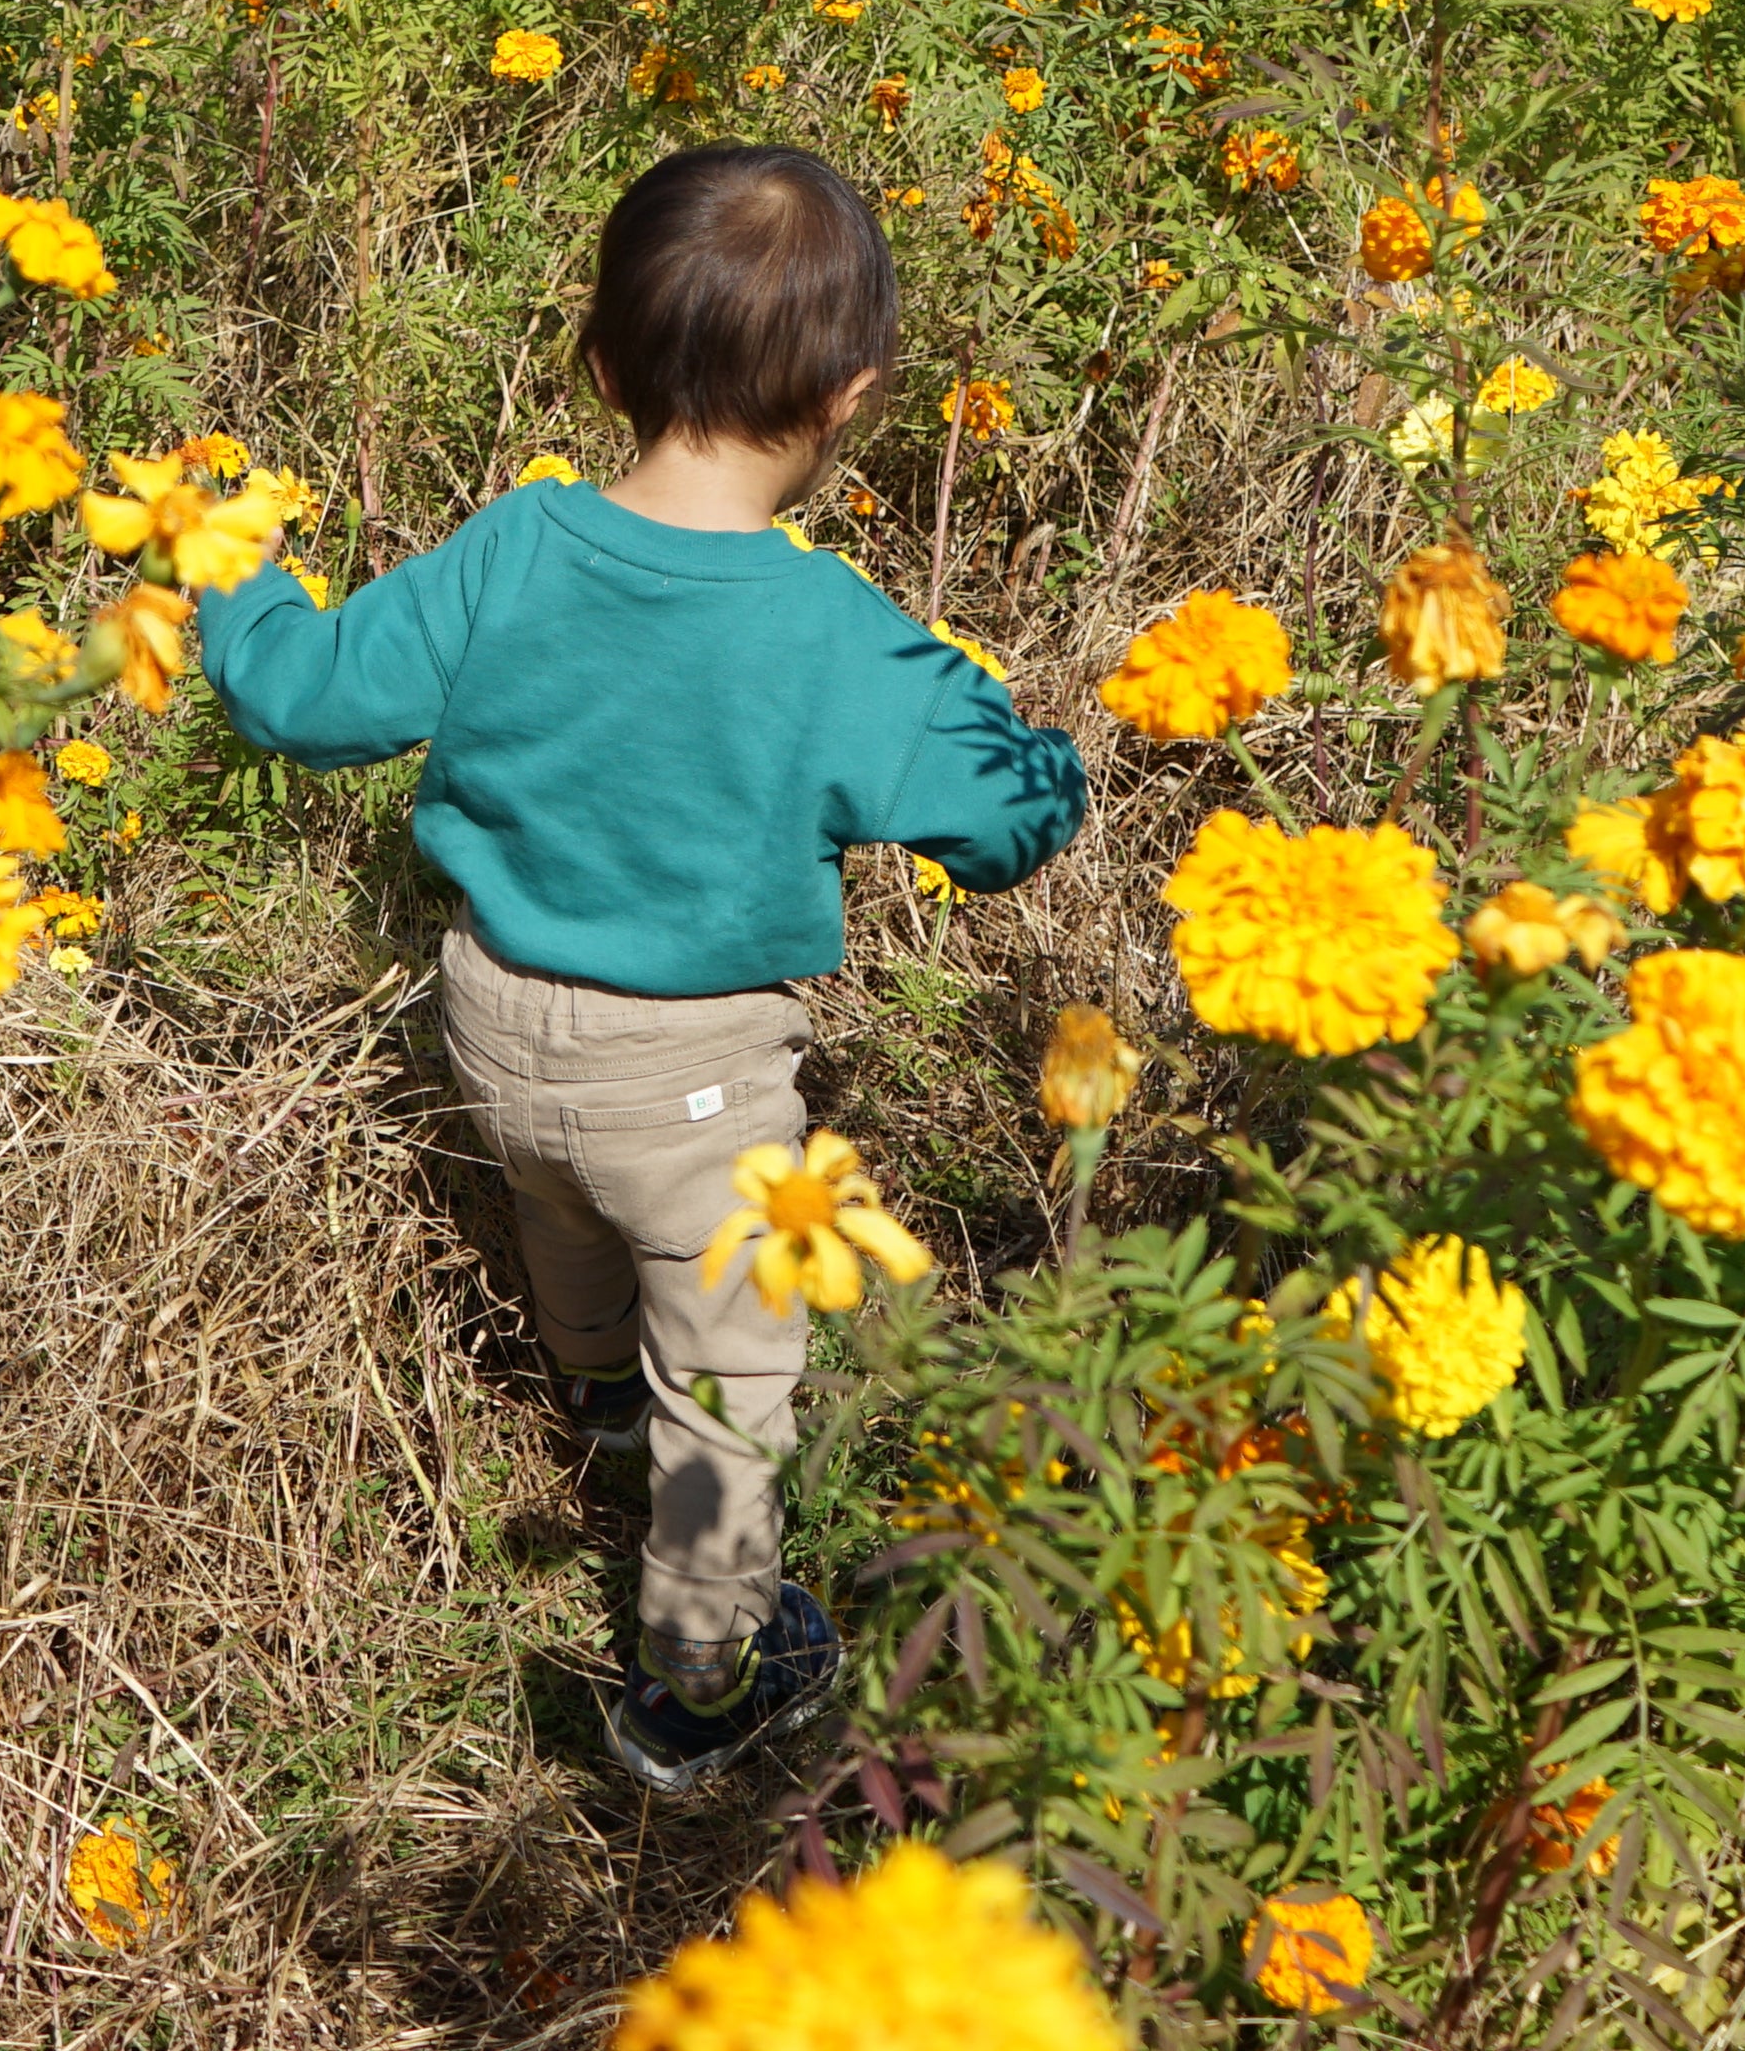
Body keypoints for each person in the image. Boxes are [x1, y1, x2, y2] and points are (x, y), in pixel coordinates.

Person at [200, 143, 1086, 1791]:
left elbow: (300, 700)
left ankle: (596, 1405)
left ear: (602, 366)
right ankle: (694, 1690)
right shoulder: (837, 635)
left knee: (560, 1213)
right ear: (854, 398)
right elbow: (1010, 822)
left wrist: (235, 579)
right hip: (695, 1086)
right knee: (735, 1393)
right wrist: (1025, 756)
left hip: (493, 1019)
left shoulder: (517, 546)